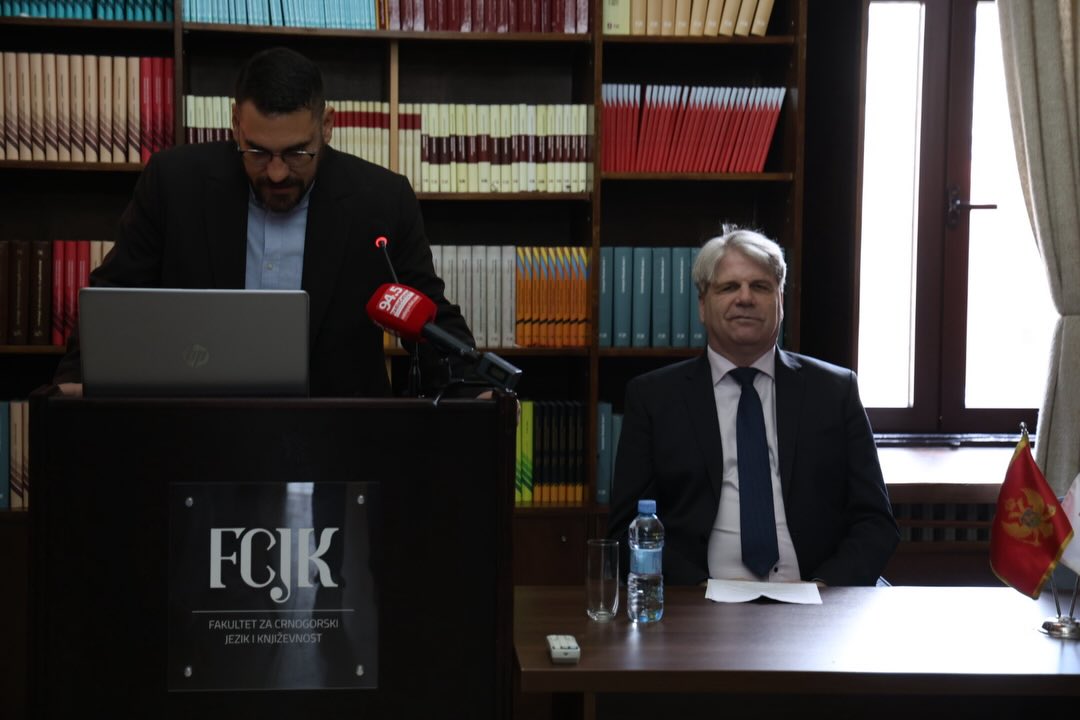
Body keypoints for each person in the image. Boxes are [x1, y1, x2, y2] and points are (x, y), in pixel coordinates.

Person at [53, 46, 474, 398]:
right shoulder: (173, 183)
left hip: (338, 439)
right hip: (198, 429)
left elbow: (429, 317)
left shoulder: (382, 198)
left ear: (327, 126)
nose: (276, 173)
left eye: (296, 153)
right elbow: (113, 300)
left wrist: (474, 387)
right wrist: (76, 382)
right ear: (236, 124)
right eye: (257, 151)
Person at [608, 229, 898, 586]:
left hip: (813, 595)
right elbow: (626, 528)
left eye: (760, 287)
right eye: (728, 287)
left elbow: (875, 522)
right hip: (699, 598)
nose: (745, 298)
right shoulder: (653, 398)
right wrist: (695, 589)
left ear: (780, 301)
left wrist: (825, 587)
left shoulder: (835, 392)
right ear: (702, 305)